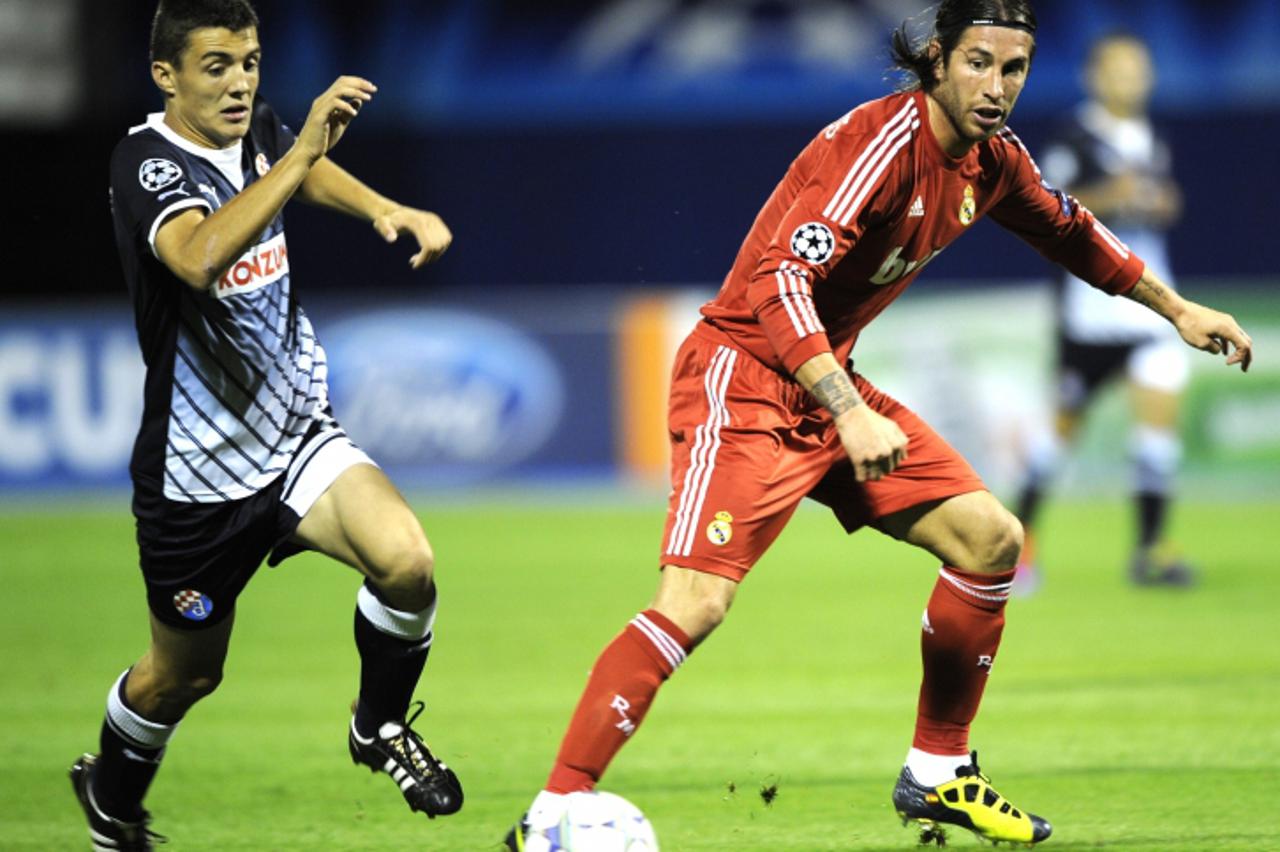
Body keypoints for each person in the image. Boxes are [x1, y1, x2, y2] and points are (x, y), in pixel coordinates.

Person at [504, 1, 1252, 848]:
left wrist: (1175, 308)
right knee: (697, 601)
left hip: (827, 385)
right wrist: (848, 409)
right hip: (744, 381)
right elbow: (775, 284)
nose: (996, 87)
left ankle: (938, 773)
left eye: (1014, 70)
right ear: (936, 59)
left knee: (990, 541)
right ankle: (555, 809)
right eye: (978, 63)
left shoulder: (994, 162)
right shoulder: (881, 147)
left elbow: (1072, 231)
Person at [70, 1, 463, 848]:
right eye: (217, 66)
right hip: (197, 475)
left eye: (249, 61)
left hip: (294, 433)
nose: (241, 81)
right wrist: (297, 153)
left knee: (407, 561)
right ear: (166, 76)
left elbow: (300, 167)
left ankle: (377, 725)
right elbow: (200, 258)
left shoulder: (259, 139)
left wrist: (381, 208)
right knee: (182, 678)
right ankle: (112, 798)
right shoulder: (146, 162)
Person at [1012, 32, 1194, 592]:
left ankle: (1150, 549)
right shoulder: (1075, 135)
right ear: (1096, 78)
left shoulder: (1150, 138)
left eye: (1139, 70)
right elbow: (1048, 207)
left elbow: (1163, 203)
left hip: (1152, 311)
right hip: (1092, 312)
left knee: (1158, 431)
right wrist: (1113, 194)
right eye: (1120, 70)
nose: (1131, 80)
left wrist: (1163, 201)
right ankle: (1020, 544)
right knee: (1057, 439)